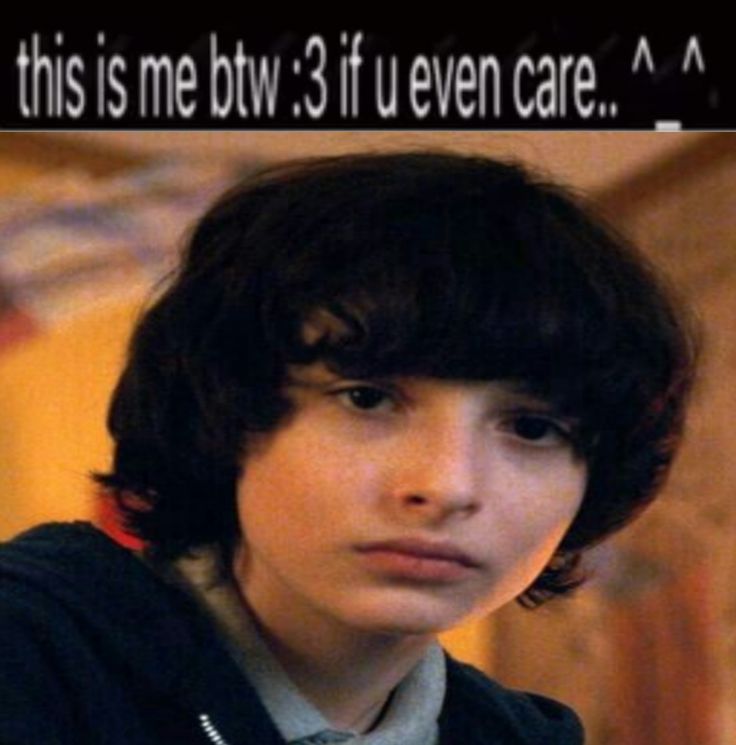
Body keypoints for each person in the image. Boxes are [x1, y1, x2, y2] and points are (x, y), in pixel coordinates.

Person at [0, 151, 698, 744]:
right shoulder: (34, 648)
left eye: (532, 428)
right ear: (226, 411)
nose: (447, 485)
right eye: (367, 398)